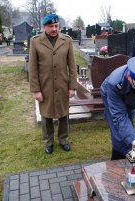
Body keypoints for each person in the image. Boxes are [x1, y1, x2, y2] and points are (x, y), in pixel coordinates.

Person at [29, 13, 77, 154]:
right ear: (44, 27)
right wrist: (36, 90)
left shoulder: (66, 40)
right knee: (46, 115)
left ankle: (63, 139)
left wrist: (72, 86)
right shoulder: (36, 41)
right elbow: (33, 68)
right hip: (45, 86)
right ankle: (48, 142)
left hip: (62, 84)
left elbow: (72, 66)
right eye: (51, 26)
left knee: (63, 114)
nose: (54, 29)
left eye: (56, 26)